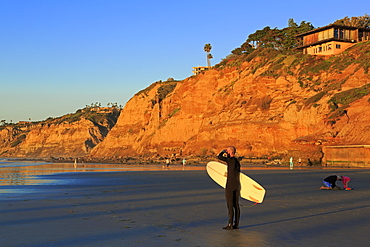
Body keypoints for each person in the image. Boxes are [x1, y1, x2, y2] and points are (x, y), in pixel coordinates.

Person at [217, 146, 241, 230]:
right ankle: (236, 224)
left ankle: (230, 224)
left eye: (227, 151)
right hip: (237, 185)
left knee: (230, 204)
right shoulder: (237, 162)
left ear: (230, 152)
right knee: (236, 205)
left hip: (230, 185)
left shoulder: (230, 160)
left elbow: (219, 157)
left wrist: (223, 151)